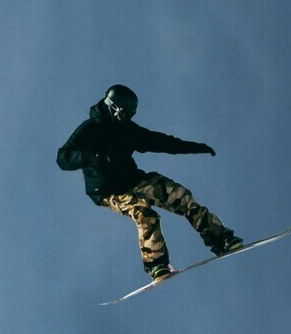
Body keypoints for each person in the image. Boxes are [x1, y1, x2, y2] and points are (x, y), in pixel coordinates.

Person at [56, 84, 242, 281]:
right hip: (107, 189)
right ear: (112, 108)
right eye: (122, 115)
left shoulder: (128, 129)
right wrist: (92, 157)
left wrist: (197, 147)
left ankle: (220, 239)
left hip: (134, 179)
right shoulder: (89, 129)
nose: (125, 120)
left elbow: (162, 142)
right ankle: (156, 264)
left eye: (130, 116)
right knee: (144, 213)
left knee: (180, 196)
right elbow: (63, 157)